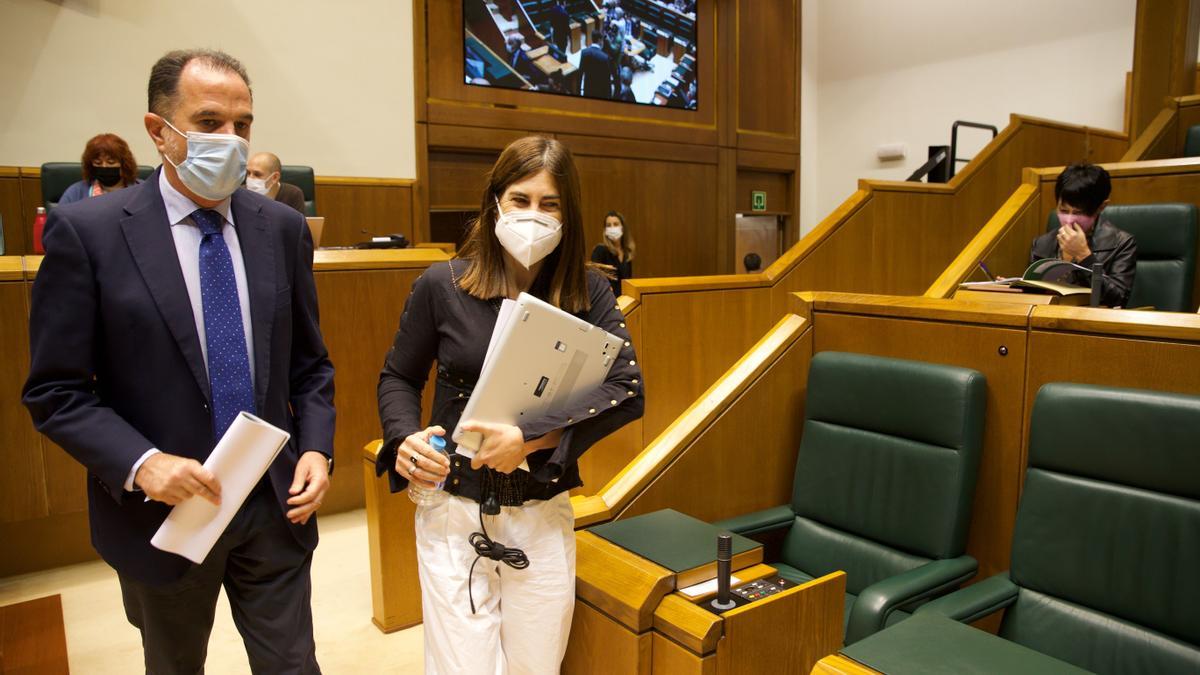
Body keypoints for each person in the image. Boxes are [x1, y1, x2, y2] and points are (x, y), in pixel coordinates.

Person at [22, 49, 335, 674]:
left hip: (273, 508)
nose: (232, 140)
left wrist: (316, 448)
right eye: (210, 122)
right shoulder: (88, 232)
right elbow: (56, 391)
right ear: (159, 131)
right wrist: (142, 464)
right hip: (160, 518)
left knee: (294, 667)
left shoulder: (281, 227)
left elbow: (310, 366)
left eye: (243, 125)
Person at [376, 136, 643, 673]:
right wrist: (403, 436)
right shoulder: (442, 283)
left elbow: (627, 391)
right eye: (520, 200)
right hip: (452, 507)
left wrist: (532, 437)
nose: (533, 215)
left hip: (540, 511)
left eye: (550, 204)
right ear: (495, 201)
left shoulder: (589, 291)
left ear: (569, 214)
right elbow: (398, 376)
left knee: (536, 666)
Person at [1029, 163, 1136, 307]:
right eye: (1064, 210)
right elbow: (1034, 298)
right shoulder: (1041, 244)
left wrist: (1084, 256)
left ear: (1101, 207)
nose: (1069, 220)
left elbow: (1118, 299)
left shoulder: (1122, 243)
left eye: (1079, 212)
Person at [59, 133, 142, 205]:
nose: (104, 166)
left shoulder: (142, 190)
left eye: (111, 162)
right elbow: (59, 221)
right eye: (98, 163)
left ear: (124, 164)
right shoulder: (75, 193)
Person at [591, 210, 635, 296]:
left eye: (615, 224)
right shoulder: (600, 250)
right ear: (605, 230)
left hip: (624, 300)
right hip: (607, 301)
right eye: (608, 225)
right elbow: (594, 279)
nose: (612, 228)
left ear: (622, 227)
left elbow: (628, 281)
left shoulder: (627, 253)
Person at [580, 29, 613, 98]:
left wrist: (578, 93)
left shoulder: (584, 53)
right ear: (599, 40)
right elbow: (607, 80)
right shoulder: (605, 57)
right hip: (600, 92)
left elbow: (580, 74)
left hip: (587, 90)